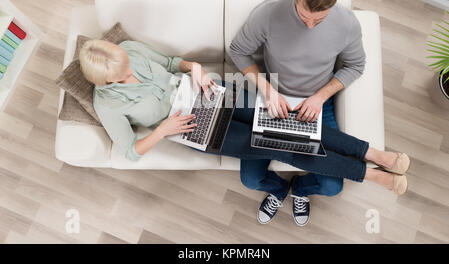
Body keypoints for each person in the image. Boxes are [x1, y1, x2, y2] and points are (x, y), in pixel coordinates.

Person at [78, 38, 409, 228]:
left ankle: (373, 154)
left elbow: (169, 61)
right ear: (105, 83)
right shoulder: (107, 103)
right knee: (282, 145)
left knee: (293, 124)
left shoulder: (129, 50)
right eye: (122, 77)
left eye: (127, 66)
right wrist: (163, 130)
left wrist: (193, 69)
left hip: (213, 91)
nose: (130, 73)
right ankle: (369, 175)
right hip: (194, 127)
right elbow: (130, 151)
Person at [226, 0, 410, 226]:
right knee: (251, 179)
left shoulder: (346, 24)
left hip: (318, 103)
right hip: (273, 99)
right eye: (304, 17)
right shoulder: (268, 14)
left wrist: (321, 96)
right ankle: (279, 190)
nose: (310, 26)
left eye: (319, 19)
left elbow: (355, 66)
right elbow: (238, 51)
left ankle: (300, 189)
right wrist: (268, 90)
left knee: (332, 186)